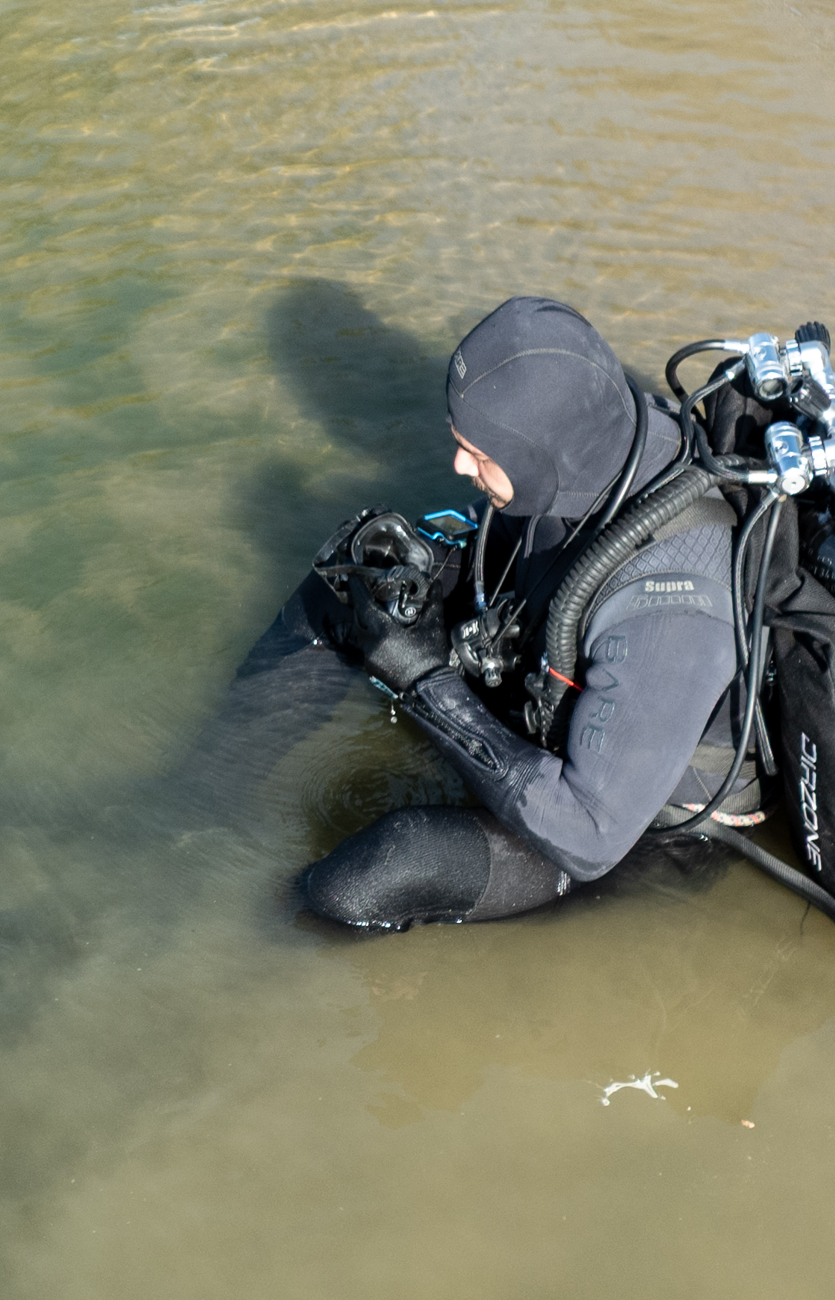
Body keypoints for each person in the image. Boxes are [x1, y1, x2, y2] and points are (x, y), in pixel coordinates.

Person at [194, 295, 760, 929]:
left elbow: (590, 834)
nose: (460, 464)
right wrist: (425, 564)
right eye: (463, 442)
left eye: (482, 455)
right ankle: (199, 790)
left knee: (374, 877)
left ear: (542, 454)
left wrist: (425, 683)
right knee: (353, 580)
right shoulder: (595, 445)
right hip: (551, 669)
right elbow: (521, 544)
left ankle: (241, 931)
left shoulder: (674, 614)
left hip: (634, 825)